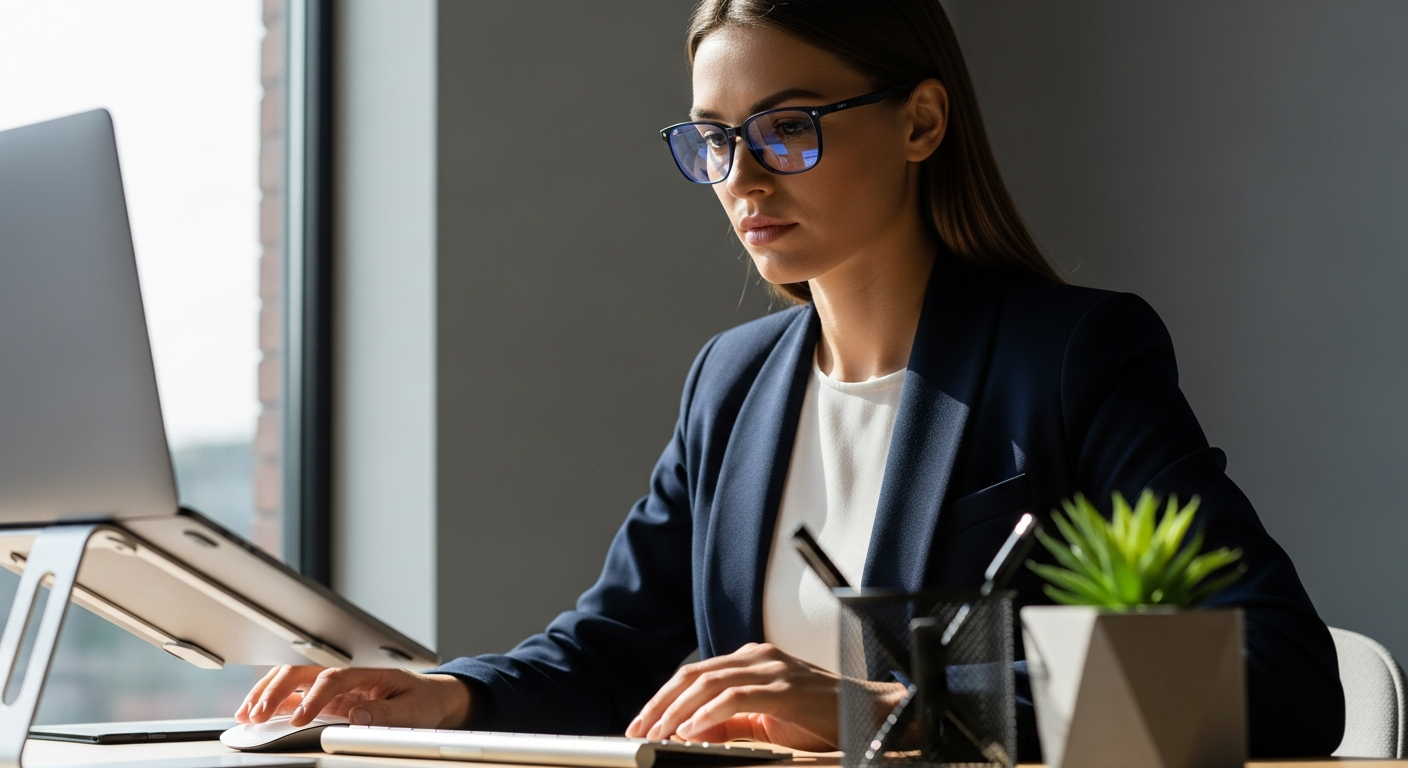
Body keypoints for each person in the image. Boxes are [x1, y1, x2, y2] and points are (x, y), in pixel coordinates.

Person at [236, 0, 1345, 759]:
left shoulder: (1067, 357)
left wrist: (893, 715)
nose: (744, 179)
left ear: (919, 121)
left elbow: (1285, 677)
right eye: (715, 139)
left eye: (789, 129)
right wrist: (453, 694)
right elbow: (621, 644)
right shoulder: (732, 382)